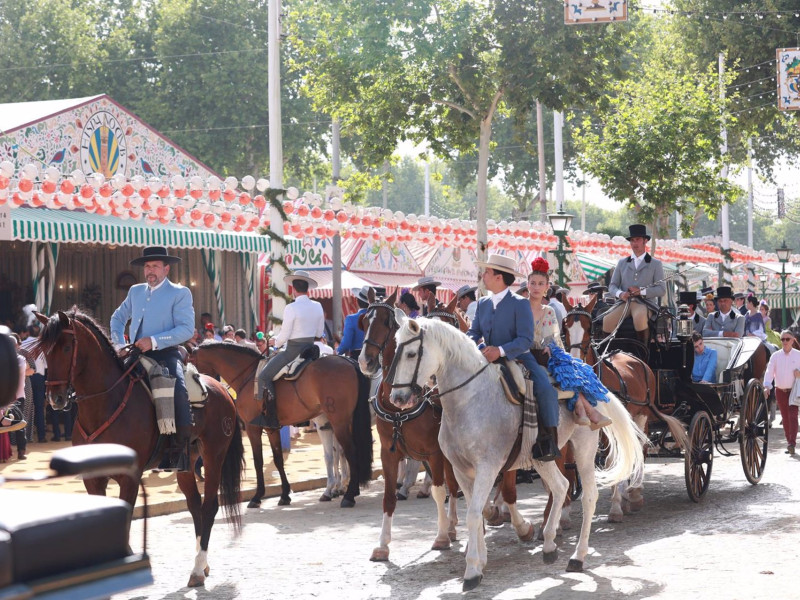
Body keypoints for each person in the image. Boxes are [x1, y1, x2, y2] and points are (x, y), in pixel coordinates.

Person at [466, 254, 560, 461]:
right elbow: (474, 332)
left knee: (545, 387)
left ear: (499, 277)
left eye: (487, 272)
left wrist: (499, 351)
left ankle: (548, 440)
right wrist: (465, 345)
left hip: (519, 358)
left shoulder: (520, 304)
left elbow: (525, 339)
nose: (483, 275)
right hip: (484, 356)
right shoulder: (482, 303)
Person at [110, 245, 195, 471]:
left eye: (155, 266)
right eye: (147, 266)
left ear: (166, 269)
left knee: (178, 392)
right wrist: (119, 345)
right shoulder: (135, 291)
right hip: (135, 353)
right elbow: (117, 319)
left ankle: (179, 451)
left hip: (166, 353)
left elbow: (187, 329)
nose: (150, 271)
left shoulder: (180, 292)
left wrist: (154, 340)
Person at [528, 258, 611, 429]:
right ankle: (585, 409)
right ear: (528, 284)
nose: (536, 287)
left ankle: (583, 407)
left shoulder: (549, 311)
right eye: (533, 283)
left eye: (540, 283)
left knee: (568, 366)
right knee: (560, 366)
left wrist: (550, 348)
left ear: (546, 288)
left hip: (544, 354)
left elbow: (554, 339)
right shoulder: (519, 306)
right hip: (526, 354)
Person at [253, 270, 324, 429]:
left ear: (293, 289)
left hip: (293, 351)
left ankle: (271, 417)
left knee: (264, 376)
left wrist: (275, 344)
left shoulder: (291, 307)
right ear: (308, 289)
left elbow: (284, 334)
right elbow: (319, 333)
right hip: (312, 349)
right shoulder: (318, 305)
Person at [602, 224, 666, 345]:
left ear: (645, 241)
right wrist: (621, 294)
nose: (634, 243)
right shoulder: (622, 263)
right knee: (607, 320)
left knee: (639, 318)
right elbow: (612, 286)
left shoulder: (655, 264)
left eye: (637, 240)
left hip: (645, 303)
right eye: (632, 240)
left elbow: (661, 289)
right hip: (624, 302)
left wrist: (641, 291)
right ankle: (609, 353)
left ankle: (643, 351)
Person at [763, 330, 800, 454]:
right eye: (782, 339)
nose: (784, 341)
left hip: (794, 391)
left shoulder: (798, 355)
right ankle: (789, 441)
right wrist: (767, 386)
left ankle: (791, 443)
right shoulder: (775, 356)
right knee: (785, 417)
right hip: (780, 391)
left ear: (793, 340)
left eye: (787, 339)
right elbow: (769, 372)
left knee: (793, 416)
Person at [20, 323, 46, 443]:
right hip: (40, 378)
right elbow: (46, 365)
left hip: (26, 377)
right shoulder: (42, 345)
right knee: (40, 407)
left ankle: (23, 436)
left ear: (29, 332)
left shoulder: (23, 344)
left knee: (25, 407)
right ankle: (41, 436)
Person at [338, 286, 370, 359]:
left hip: (357, 357)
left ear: (356, 301)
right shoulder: (377, 318)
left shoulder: (351, 319)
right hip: (375, 359)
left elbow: (346, 343)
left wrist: (338, 352)